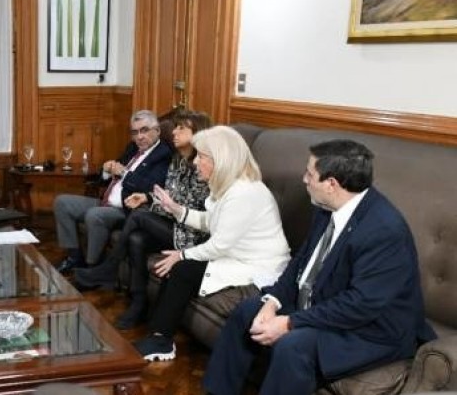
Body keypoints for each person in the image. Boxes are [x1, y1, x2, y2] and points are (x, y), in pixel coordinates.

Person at [202, 139, 436, 395]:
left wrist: (290, 322)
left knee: (293, 346)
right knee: (247, 311)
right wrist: (272, 302)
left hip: (370, 330)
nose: (304, 179)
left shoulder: (384, 231)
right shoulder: (327, 207)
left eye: (310, 174)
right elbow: (302, 262)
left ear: (331, 184)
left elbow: (360, 305)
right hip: (323, 304)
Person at [133, 125, 291, 361]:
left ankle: (161, 340)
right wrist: (176, 209)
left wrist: (182, 254)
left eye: (202, 156)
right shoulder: (230, 187)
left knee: (181, 268)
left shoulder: (244, 193)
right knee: (178, 268)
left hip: (259, 268)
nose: (196, 162)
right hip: (237, 257)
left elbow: (219, 245)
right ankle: (158, 335)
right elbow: (211, 221)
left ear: (221, 160)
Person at [73, 109, 212, 329]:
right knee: (136, 239)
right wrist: (147, 198)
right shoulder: (177, 160)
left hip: (192, 234)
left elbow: (189, 207)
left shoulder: (204, 165)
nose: (173, 132)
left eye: (180, 128)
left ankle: (109, 268)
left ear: (198, 133)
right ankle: (138, 303)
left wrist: (157, 202)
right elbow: (170, 198)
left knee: (138, 216)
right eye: (175, 127)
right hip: (174, 224)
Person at [54, 110, 173, 274]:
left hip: (126, 209)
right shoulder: (133, 147)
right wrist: (106, 170)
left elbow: (150, 187)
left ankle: (92, 267)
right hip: (106, 201)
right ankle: (74, 257)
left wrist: (124, 173)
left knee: (95, 215)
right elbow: (108, 175)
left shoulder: (163, 155)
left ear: (157, 130)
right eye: (135, 132)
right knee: (62, 202)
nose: (139, 137)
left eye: (144, 130)